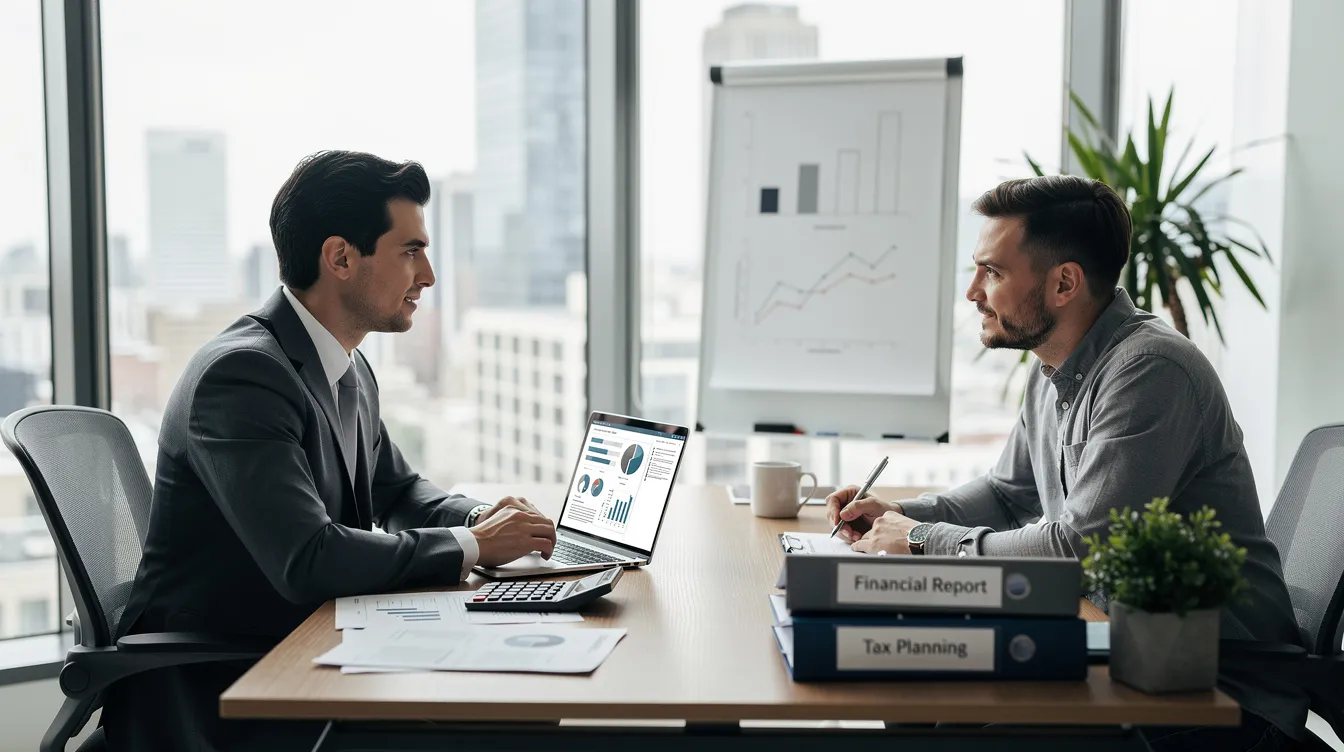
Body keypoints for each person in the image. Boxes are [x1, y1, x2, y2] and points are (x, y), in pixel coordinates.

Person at [826, 175, 1311, 751]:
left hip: (1213, 687)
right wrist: (900, 516)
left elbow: (1079, 549)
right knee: (916, 696)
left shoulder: (1150, 370)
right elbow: (1008, 494)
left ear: (1063, 283)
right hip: (1116, 651)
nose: (973, 292)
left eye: (992, 272)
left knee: (957, 723)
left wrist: (920, 539)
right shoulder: (1052, 368)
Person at [102, 151, 557, 752]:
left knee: (520, 702)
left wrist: (482, 519)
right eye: (411, 251)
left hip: (307, 646)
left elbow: (398, 489)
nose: (428, 275)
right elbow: (308, 558)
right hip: (226, 691)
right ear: (341, 257)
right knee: (508, 723)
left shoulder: (347, 366)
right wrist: (473, 546)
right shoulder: (241, 376)